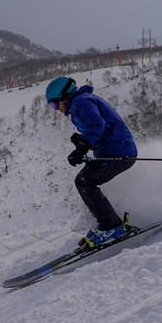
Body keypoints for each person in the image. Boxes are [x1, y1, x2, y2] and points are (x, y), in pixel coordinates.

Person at [45, 76, 138, 248]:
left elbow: (96, 126)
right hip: (114, 150)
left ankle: (111, 226)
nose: (56, 109)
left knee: (84, 181)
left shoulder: (82, 101)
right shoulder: (82, 101)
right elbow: (97, 127)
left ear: (63, 96)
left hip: (117, 151)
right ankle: (109, 222)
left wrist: (82, 148)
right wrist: (82, 142)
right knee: (86, 179)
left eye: (53, 104)